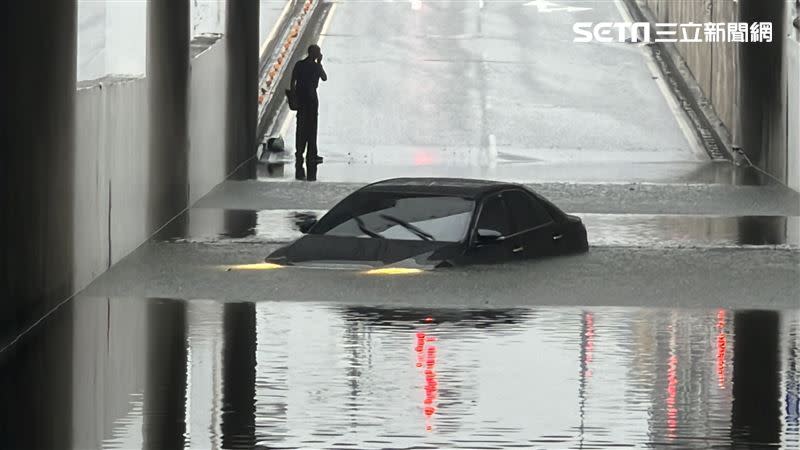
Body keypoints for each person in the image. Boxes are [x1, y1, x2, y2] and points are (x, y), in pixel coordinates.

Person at [291, 44, 327, 181]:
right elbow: (324, 78)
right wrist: (320, 63)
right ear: (315, 54)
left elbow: (293, 80)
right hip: (311, 98)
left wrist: (293, 95)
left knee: (300, 126)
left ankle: (299, 152)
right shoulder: (316, 66)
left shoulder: (299, 64)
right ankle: (312, 153)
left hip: (301, 98)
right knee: (312, 127)